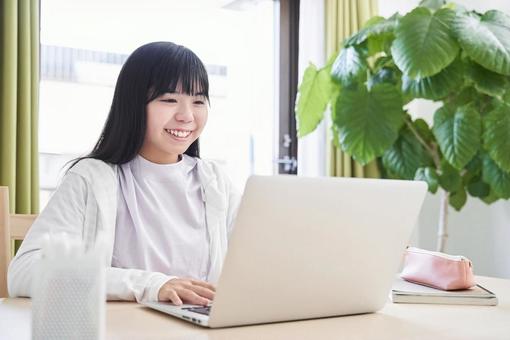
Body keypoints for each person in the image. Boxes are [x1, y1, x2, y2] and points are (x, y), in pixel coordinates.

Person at [8, 41, 241, 306]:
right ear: (133, 104)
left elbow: (259, 262)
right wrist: (152, 285)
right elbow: (24, 271)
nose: (187, 116)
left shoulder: (215, 181)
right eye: (169, 100)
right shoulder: (92, 179)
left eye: (199, 101)